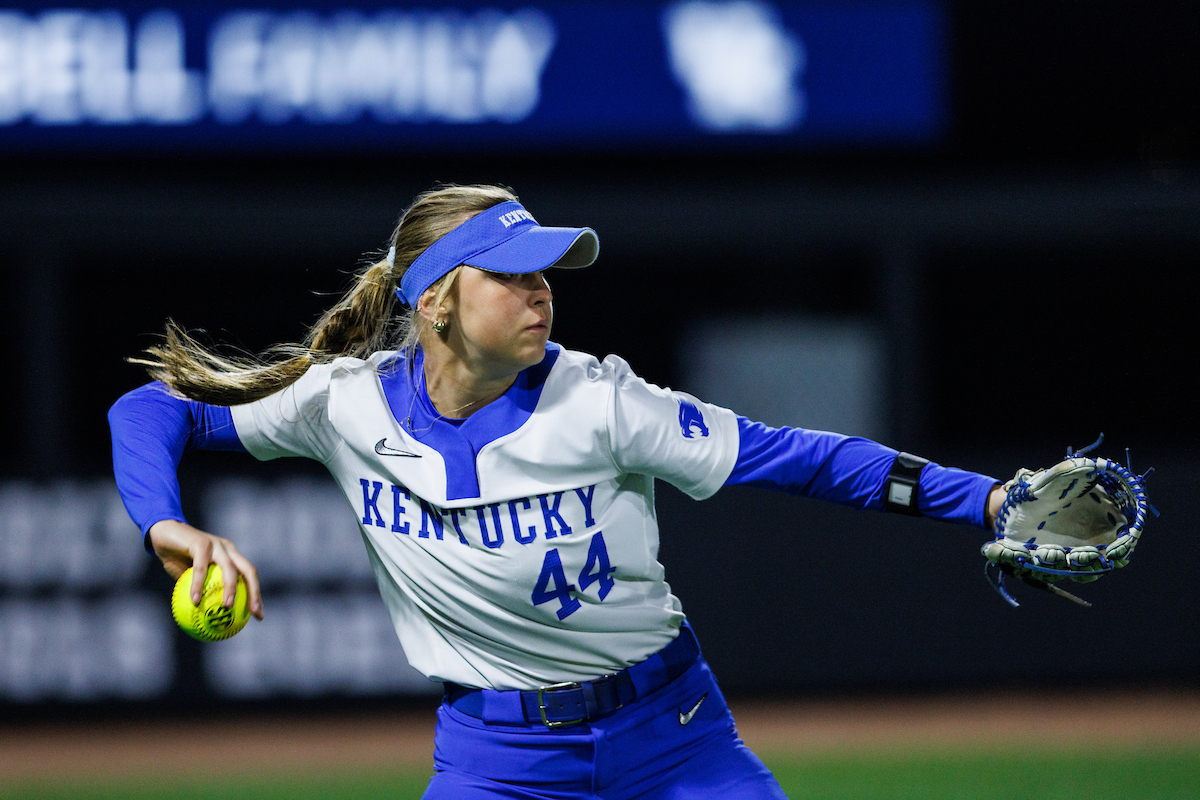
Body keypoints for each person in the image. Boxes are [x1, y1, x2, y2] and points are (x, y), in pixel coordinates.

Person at [109, 184, 1004, 799]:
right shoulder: (340, 405)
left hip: (672, 738)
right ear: (435, 301)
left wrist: (993, 503)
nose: (540, 291)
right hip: (496, 762)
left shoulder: (602, 402)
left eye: (543, 272)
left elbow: (803, 458)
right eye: (510, 274)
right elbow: (150, 410)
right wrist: (165, 526)